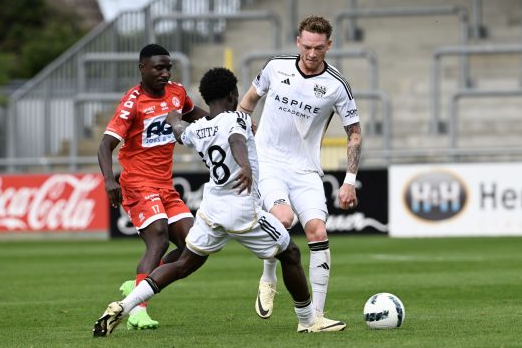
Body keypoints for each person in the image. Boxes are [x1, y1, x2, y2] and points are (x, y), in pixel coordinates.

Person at [93, 67, 346, 337]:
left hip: (211, 210)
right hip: (242, 210)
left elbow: (179, 131)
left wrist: (174, 119)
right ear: (233, 94)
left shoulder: (199, 129)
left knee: (183, 264)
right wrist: (245, 166)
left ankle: (124, 305)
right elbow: (236, 139)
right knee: (291, 253)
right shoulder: (237, 119)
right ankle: (308, 320)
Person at [237, 15, 362, 320]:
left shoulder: (336, 85)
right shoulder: (275, 67)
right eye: (307, 46)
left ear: (328, 46)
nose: (311, 53)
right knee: (283, 217)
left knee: (317, 231)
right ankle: (268, 276)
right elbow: (248, 101)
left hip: (306, 169)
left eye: (318, 47)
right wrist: (242, 124)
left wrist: (349, 181)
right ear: (298, 42)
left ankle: (316, 317)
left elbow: (354, 133)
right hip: (268, 161)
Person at [97, 43, 208, 330]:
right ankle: (136, 310)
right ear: (142, 68)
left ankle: (137, 287)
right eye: (158, 67)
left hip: (164, 185)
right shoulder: (132, 102)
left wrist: (230, 120)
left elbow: (196, 114)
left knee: (194, 246)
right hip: (136, 182)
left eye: (168, 67)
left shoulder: (177, 93)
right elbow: (105, 144)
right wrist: (109, 180)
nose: (165, 72)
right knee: (158, 237)